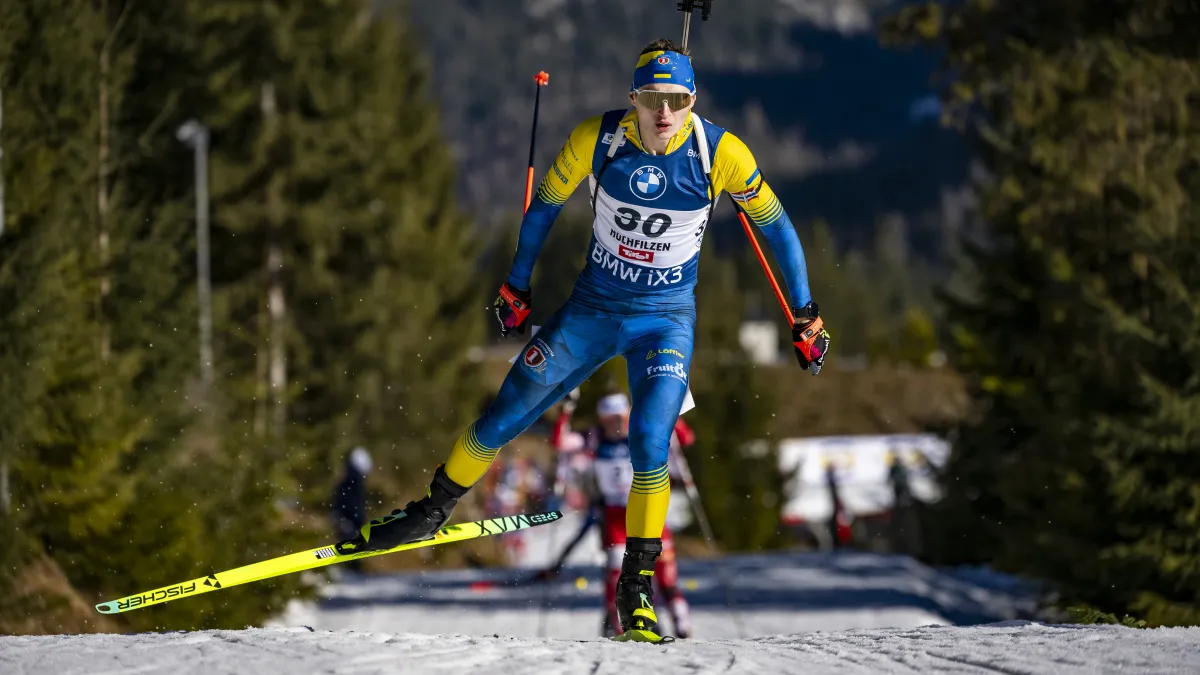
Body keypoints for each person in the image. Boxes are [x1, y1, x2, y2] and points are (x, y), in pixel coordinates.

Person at [337, 38, 830, 642]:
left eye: (676, 99)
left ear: (692, 100)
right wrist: (516, 286)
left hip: (664, 320)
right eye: (653, 98)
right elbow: (543, 208)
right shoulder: (596, 139)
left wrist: (805, 315)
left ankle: (638, 586)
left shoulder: (719, 153)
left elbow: (777, 228)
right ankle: (429, 512)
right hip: (592, 310)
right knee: (502, 416)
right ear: (634, 99)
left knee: (651, 442)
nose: (664, 113)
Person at [548, 392, 694, 638]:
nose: (616, 425)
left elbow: (685, 438)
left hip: (649, 508)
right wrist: (565, 411)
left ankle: (681, 620)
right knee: (620, 572)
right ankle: (620, 622)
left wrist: (672, 408)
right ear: (602, 419)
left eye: (620, 418)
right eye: (610, 419)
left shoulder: (644, 430)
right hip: (615, 514)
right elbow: (560, 442)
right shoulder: (593, 438)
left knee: (663, 570)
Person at [330, 447, 373, 571]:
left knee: (348, 548)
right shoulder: (354, 479)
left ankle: (349, 571)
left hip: (344, 517)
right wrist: (358, 519)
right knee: (351, 548)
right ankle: (352, 571)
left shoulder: (348, 476)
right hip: (349, 519)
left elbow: (341, 497)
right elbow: (354, 502)